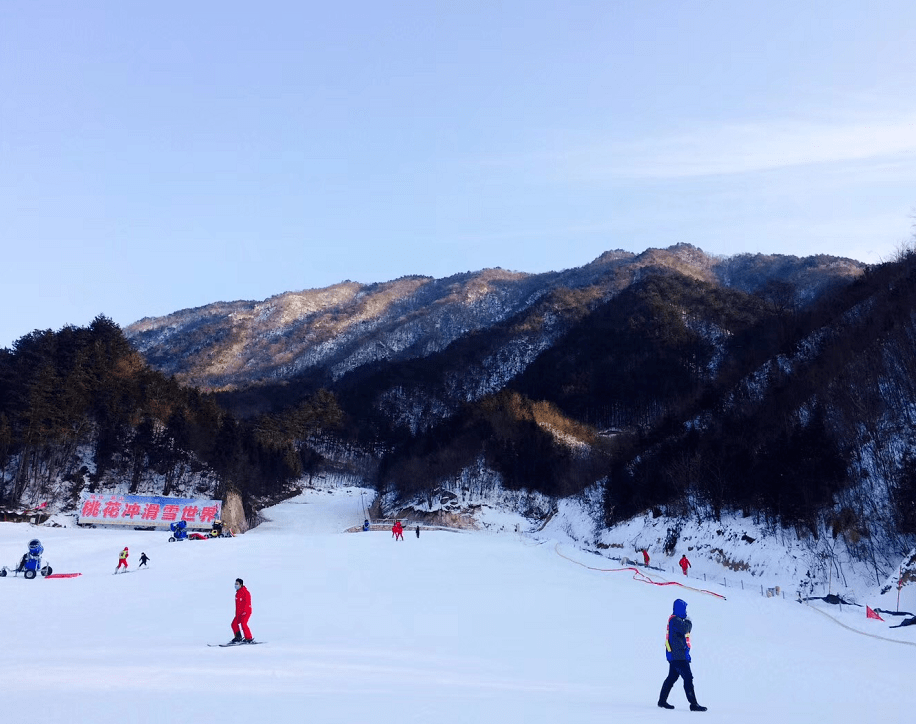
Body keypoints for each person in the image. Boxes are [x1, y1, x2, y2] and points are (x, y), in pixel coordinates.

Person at [658, 598, 707, 712]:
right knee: (688, 678)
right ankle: (693, 704)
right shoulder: (675, 620)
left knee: (672, 678)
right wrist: (689, 622)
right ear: (680, 609)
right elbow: (685, 629)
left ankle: (662, 701)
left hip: (675, 655)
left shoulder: (675, 620)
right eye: (684, 609)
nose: (686, 611)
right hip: (679, 656)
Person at [231, 578, 254, 643]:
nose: (235, 585)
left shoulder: (246, 592)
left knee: (244, 624)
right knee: (234, 624)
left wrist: (245, 611)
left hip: (246, 612)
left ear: (241, 584)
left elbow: (247, 603)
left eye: (237, 584)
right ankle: (238, 637)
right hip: (239, 613)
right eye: (235, 584)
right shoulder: (237, 593)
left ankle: (249, 638)